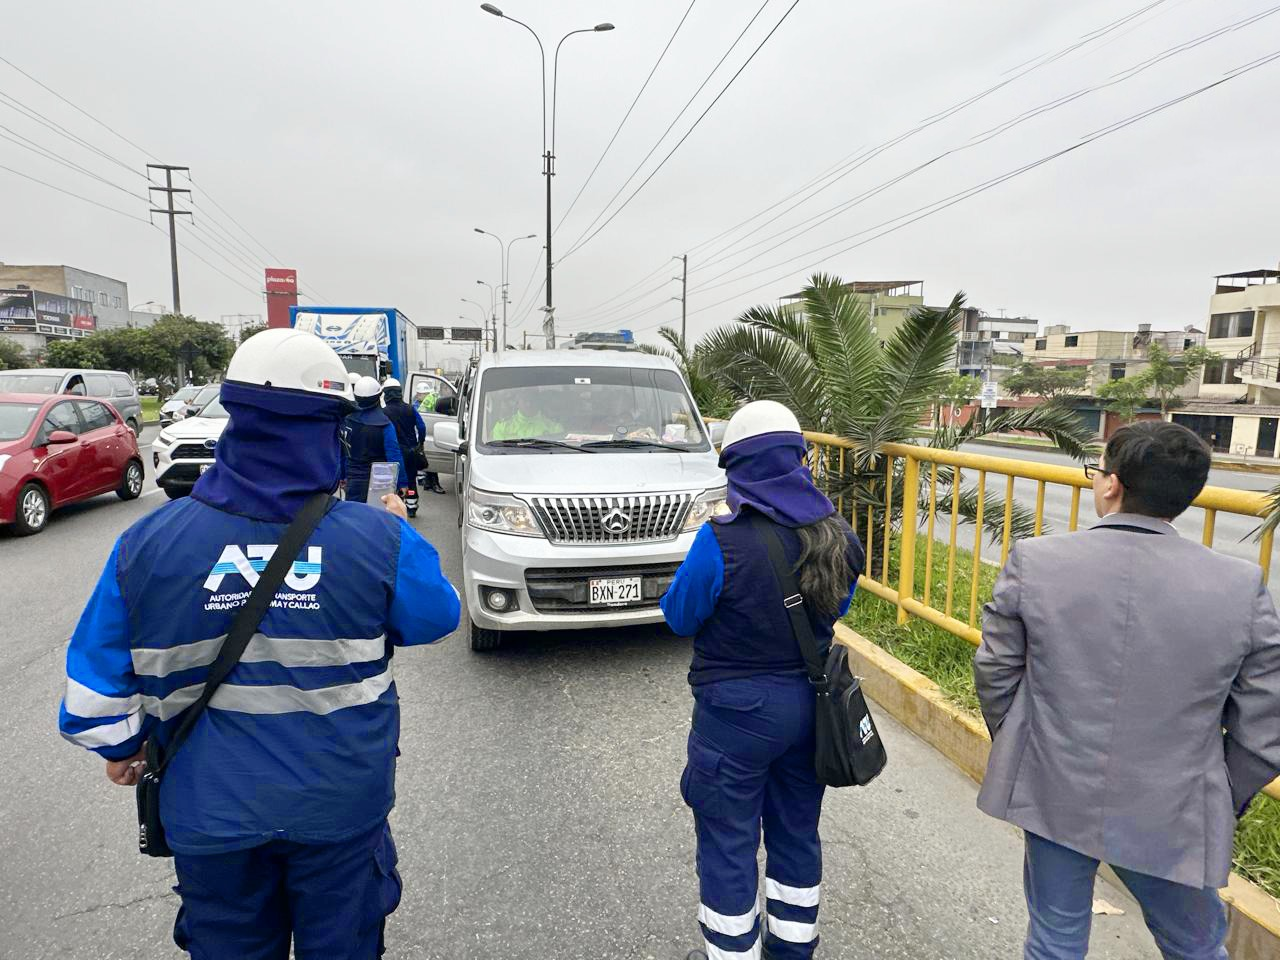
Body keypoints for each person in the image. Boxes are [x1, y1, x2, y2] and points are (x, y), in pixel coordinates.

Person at [57, 328, 461, 958]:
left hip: (209, 815)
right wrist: (398, 532)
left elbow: (91, 699)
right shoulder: (378, 539)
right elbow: (437, 616)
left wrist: (125, 747)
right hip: (339, 810)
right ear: (330, 429)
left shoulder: (147, 544)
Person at [974, 421, 1280, 960]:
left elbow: (996, 671)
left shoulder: (1037, 561)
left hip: (1055, 784)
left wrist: (1026, 746)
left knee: (1054, 939)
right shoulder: (1241, 586)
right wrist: (1218, 790)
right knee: (1196, 945)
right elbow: (1265, 718)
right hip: (1177, 802)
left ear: (1111, 484)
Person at [660, 400, 864, 960]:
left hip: (735, 719)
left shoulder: (721, 540)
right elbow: (836, 609)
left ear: (740, 468)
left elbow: (679, 616)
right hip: (811, 711)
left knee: (729, 842)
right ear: (800, 460)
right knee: (797, 833)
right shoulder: (840, 538)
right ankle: (793, 950)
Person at [342, 376, 406, 503]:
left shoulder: (347, 420)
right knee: (377, 518)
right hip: (380, 481)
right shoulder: (385, 425)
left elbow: (342, 451)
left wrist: (342, 475)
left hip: (354, 479)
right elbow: (394, 456)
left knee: (355, 519)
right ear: (378, 397)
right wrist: (402, 482)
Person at [381, 377, 435, 512]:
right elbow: (421, 427)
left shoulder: (383, 412)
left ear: (386, 394)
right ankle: (411, 505)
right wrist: (420, 442)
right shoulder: (410, 409)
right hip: (410, 451)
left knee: (393, 480)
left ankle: (396, 504)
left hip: (393, 452)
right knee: (411, 479)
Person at [490, 391, 563, 441]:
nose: (529, 404)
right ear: (517, 403)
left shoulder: (554, 428)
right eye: (525, 400)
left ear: (539, 402)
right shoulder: (502, 427)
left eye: (532, 400)